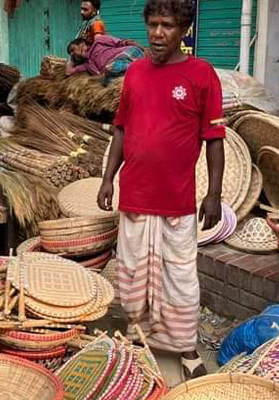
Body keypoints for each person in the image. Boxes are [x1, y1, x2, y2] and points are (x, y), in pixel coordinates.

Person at [97, 0, 225, 381]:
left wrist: (214, 193)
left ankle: (186, 349)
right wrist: (108, 177)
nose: (157, 33)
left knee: (181, 277)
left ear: (183, 29)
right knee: (133, 274)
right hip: (136, 195)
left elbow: (215, 138)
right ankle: (139, 341)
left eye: (167, 25)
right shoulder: (135, 73)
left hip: (178, 200)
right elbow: (121, 128)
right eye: (152, 24)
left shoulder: (202, 75)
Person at [66, 36, 144, 80]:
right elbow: (68, 72)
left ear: (81, 43)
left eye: (72, 50)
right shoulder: (86, 65)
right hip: (115, 71)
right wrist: (71, 59)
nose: (72, 54)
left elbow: (121, 42)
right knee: (106, 80)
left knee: (109, 69)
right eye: (71, 53)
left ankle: (141, 68)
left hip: (130, 54)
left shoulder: (98, 41)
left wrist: (142, 48)